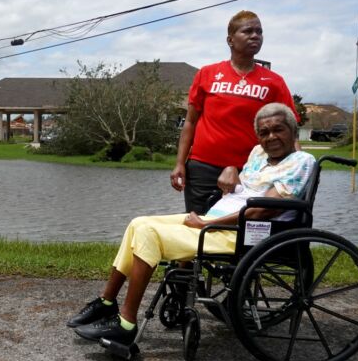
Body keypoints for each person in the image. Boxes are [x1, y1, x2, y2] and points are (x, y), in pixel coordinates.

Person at [67, 103, 315, 346]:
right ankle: (106, 303)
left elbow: (260, 210)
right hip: (216, 222)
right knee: (137, 222)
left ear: (293, 132)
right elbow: (246, 188)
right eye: (264, 132)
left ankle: (126, 325)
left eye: (278, 130)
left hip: (240, 232)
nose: (271, 137)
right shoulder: (258, 154)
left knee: (148, 234)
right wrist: (231, 170)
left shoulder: (301, 161)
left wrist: (208, 223)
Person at [171, 10, 299, 215]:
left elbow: (291, 131)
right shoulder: (207, 74)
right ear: (230, 40)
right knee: (199, 228)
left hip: (251, 172)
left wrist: (296, 167)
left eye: (259, 31)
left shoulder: (274, 82)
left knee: (243, 230)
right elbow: (190, 122)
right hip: (203, 168)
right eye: (248, 31)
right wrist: (180, 164)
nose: (255, 36)